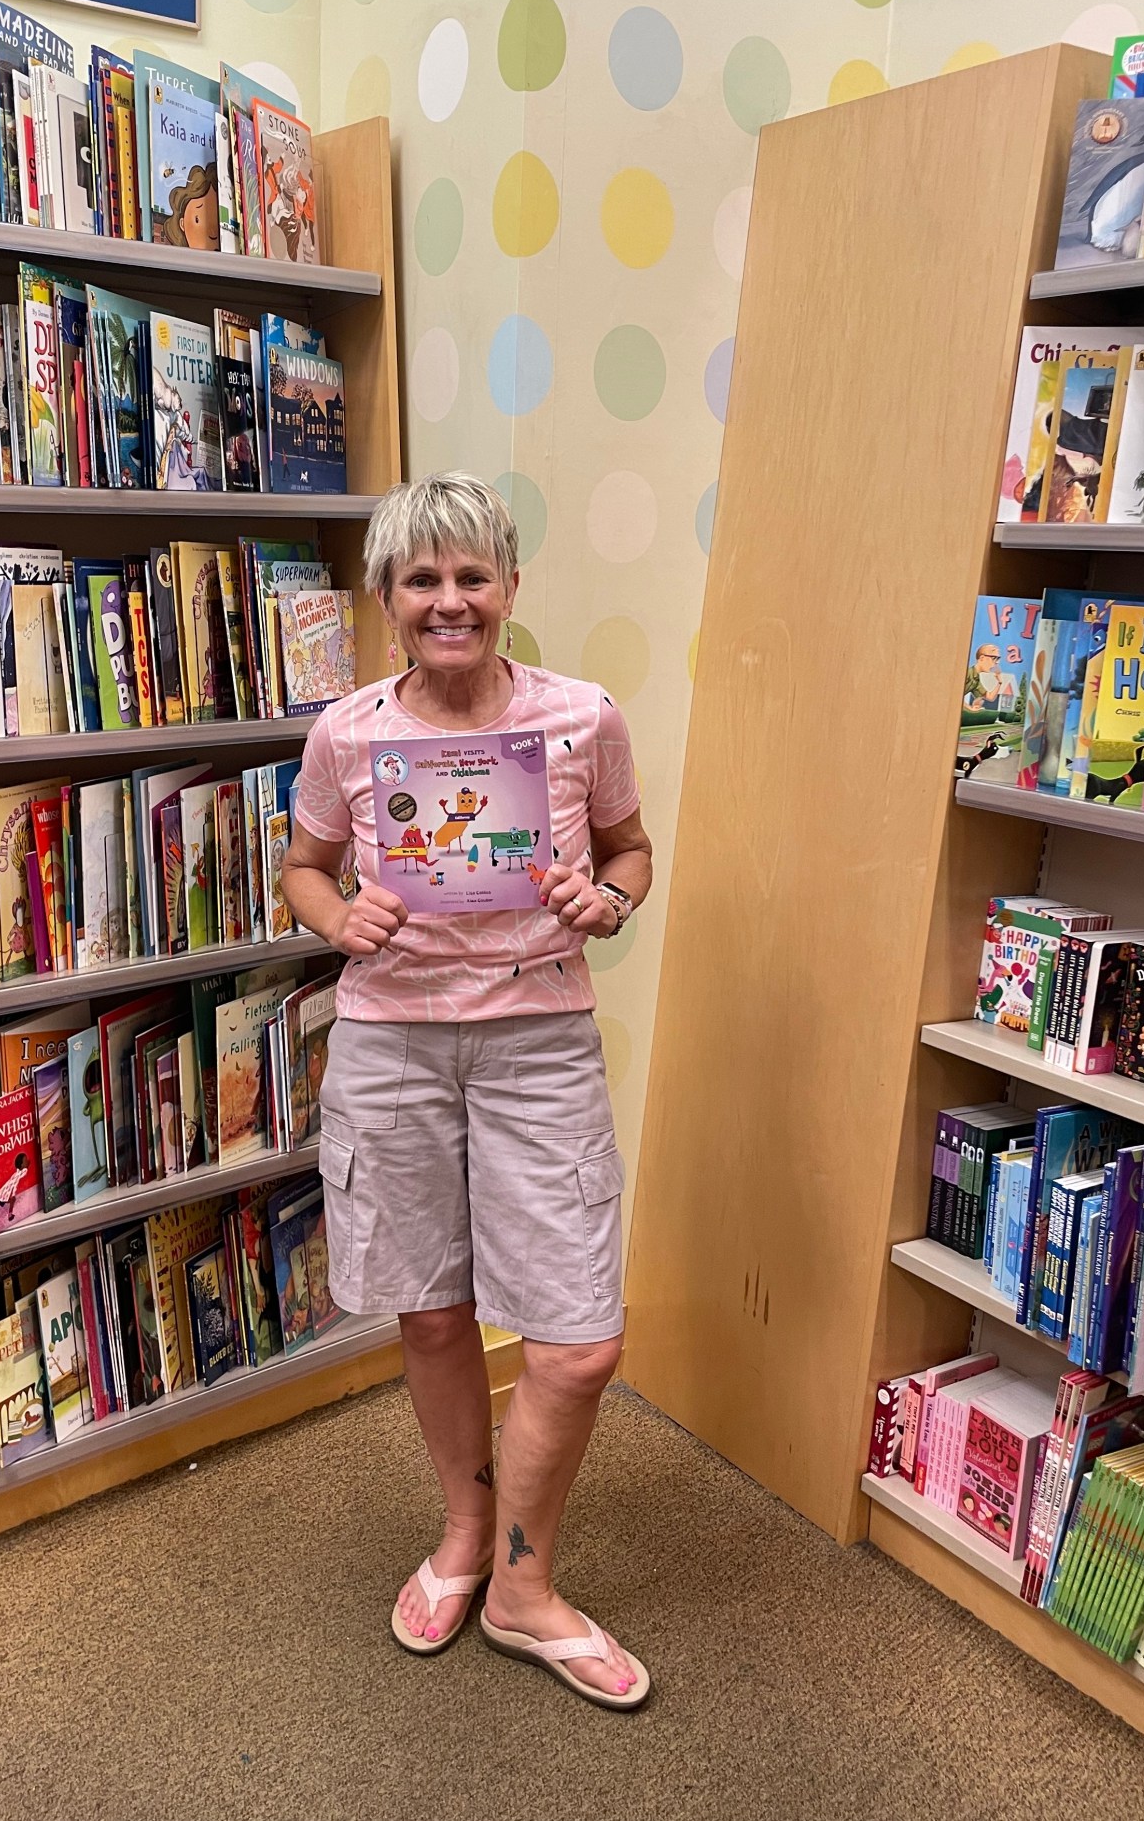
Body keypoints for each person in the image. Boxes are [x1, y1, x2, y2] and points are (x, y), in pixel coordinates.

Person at [283, 472, 654, 1710]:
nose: (449, 601)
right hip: (391, 1047)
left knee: (579, 1340)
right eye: (421, 579)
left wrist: (607, 901)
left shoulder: (576, 717)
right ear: (387, 598)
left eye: (471, 576)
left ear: (508, 588)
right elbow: (305, 867)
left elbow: (629, 850)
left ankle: (523, 1584)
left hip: (537, 1042)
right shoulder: (347, 733)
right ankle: (462, 1533)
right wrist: (344, 915)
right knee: (431, 1310)